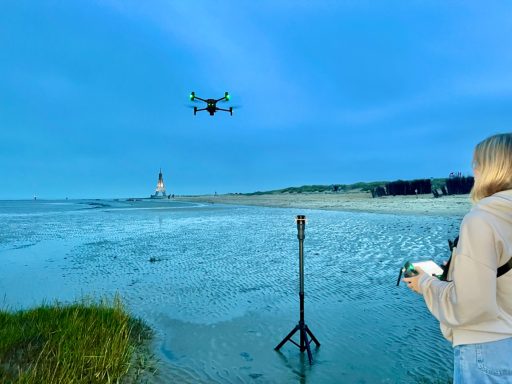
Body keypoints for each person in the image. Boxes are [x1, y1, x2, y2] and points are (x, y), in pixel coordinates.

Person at [404, 133, 512, 383]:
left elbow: (472, 306)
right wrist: (455, 271)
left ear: (494, 168)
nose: (474, 171)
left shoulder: (482, 219)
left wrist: (426, 284)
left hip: (486, 348)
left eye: (478, 163)